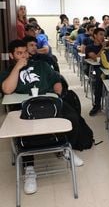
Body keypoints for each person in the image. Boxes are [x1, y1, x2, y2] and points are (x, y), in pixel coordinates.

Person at [0, 40, 84, 195]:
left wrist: (58, 92)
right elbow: (7, 89)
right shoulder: (9, 71)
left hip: (48, 102)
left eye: (25, 52)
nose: (24, 55)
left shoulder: (41, 65)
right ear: (12, 55)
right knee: (27, 131)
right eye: (19, 53)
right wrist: (18, 68)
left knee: (72, 118)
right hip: (24, 105)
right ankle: (29, 168)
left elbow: (55, 79)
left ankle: (65, 149)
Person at [85, 27, 106, 116]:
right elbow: (96, 58)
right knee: (99, 79)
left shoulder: (107, 45)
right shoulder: (89, 47)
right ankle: (97, 105)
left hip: (105, 68)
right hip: (93, 69)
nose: (103, 36)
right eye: (101, 34)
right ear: (95, 35)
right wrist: (103, 48)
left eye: (104, 35)